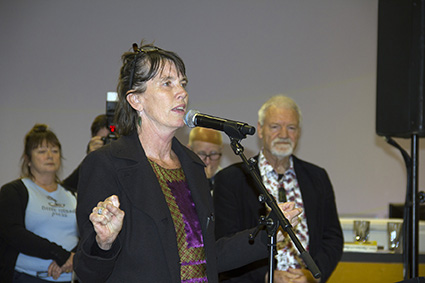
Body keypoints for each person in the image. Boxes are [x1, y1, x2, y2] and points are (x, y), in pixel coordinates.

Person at [72, 41, 302, 283]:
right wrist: (104, 242)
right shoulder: (106, 165)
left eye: (183, 83)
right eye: (167, 83)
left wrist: (268, 232)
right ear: (136, 100)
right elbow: (87, 272)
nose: (182, 92)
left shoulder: (191, 165)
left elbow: (207, 257)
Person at [213, 95, 343, 283]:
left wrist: (313, 275)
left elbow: (333, 237)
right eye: (275, 127)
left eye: (291, 127)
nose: (283, 134)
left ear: (298, 132)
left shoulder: (317, 177)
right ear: (260, 130)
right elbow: (224, 244)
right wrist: (267, 276)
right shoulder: (232, 179)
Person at [0, 124, 78, 283]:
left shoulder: (72, 194)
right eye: (42, 151)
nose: (50, 156)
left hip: (68, 278)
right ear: (28, 159)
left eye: (55, 151)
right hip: (26, 277)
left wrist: (73, 257)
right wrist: (61, 255)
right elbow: (14, 234)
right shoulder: (14, 191)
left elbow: (86, 234)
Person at [62, 114, 111, 192]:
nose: (109, 144)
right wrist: (91, 158)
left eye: (112, 139)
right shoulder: (93, 167)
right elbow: (66, 188)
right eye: (104, 140)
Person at [187, 127, 223, 193]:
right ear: (189, 150)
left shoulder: (228, 182)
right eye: (201, 154)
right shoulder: (180, 179)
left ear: (221, 150)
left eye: (213, 153)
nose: (207, 161)